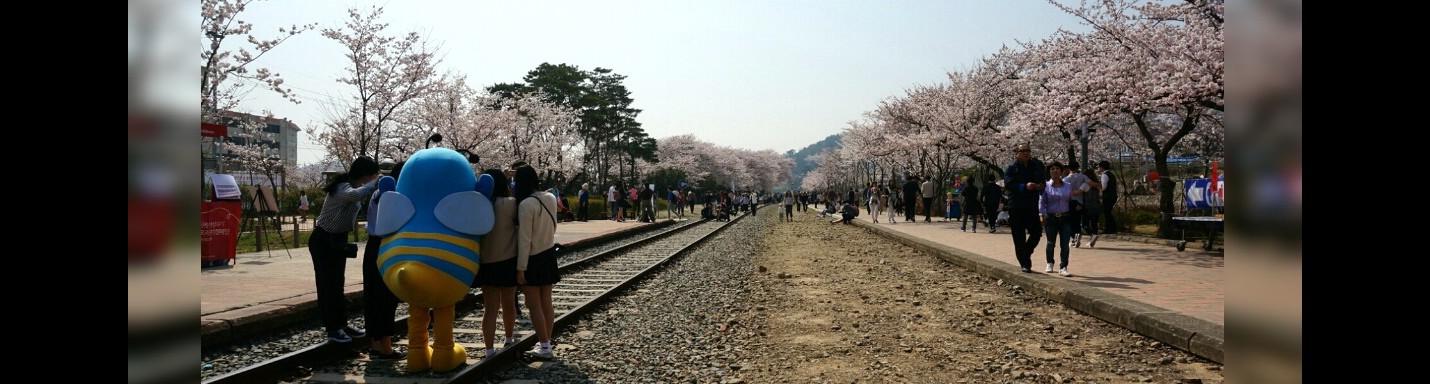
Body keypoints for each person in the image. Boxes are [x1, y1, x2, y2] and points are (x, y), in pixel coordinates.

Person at [307, 155, 381, 343]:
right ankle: (333, 329)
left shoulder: (353, 187)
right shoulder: (342, 188)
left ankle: (342, 325)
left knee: (338, 283)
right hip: (323, 239)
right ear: (365, 174)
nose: (373, 178)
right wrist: (375, 183)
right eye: (371, 175)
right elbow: (355, 196)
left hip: (338, 239)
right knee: (327, 286)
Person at [514, 165, 560, 360]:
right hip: (549, 254)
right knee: (546, 302)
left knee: (533, 305)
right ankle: (546, 342)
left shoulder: (525, 205)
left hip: (532, 258)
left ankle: (544, 346)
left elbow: (524, 240)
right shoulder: (550, 197)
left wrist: (520, 268)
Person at [361, 161, 406, 360]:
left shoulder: (377, 192)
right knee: (387, 297)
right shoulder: (393, 195)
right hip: (386, 246)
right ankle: (387, 347)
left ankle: (376, 344)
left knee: (372, 296)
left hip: (372, 246)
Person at [474, 169, 521, 358]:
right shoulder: (511, 204)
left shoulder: (479, 204)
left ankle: (489, 349)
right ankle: (509, 338)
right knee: (508, 303)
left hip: (486, 262)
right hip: (508, 260)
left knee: (490, 307)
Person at [1004, 143, 1047, 273]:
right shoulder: (1011, 168)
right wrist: (1024, 186)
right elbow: (1009, 184)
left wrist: (1040, 186)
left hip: (1031, 205)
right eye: (1022, 151)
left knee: (1036, 232)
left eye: (1028, 150)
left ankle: (1026, 253)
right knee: (1019, 237)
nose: (1026, 153)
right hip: (1016, 206)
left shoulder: (1035, 167)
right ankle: (1025, 263)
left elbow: (1042, 180)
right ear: (1016, 153)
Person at [1040, 161, 1075, 276]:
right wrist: (1041, 214)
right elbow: (1042, 201)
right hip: (1051, 217)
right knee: (1051, 242)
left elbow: (1070, 200)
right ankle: (1050, 262)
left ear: (1061, 171)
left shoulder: (1068, 186)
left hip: (1065, 217)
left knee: (1065, 243)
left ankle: (1063, 266)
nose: (1055, 170)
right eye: (1052, 169)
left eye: (1057, 168)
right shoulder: (1046, 186)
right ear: (1049, 172)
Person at [1062, 161, 1095, 247]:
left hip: (1070, 202)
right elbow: (1091, 183)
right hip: (1081, 202)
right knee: (1078, 221)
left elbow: (1064, 192)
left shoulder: (1065, 179)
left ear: (1069, 168)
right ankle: (1079, 238)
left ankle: (1075, 239)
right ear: (1077, 168)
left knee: (1071, 222)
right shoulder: (1083, 176)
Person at [1097, 160, 1119, 234]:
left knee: (1107, 213)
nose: (1098, 168)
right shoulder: (1111, 174)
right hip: (1113, 196)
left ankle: (1109, 229)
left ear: (1102, 167)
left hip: (1107, 197)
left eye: (1099, 167)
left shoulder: (1104, 175)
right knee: (1108, 212)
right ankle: (1113, 228)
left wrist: (1097, 187)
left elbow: (1103, 187)